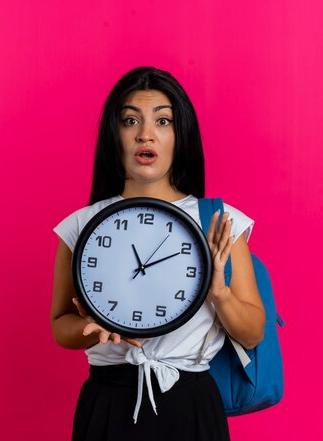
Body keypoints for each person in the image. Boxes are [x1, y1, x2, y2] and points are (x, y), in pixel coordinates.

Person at [51, 66, 266, 441]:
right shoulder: (82, 225)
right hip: (108, 402)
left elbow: (252, 334)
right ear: (113, 136)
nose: (145, 134)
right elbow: (60, 325)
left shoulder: (218, 221)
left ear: (179, 136)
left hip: (191, 404)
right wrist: (93, 329)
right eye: (130, 120)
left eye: (162, 121)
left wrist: (219, 292)